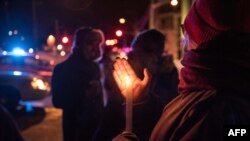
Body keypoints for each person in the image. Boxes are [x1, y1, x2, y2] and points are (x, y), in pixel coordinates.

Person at [112, 0, 250, 140]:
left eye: (186, 30)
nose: (183, 40)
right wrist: (142, 102)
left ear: (202, 37)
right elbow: (175, 130)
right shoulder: (209, 89)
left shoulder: (213, 106)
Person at [51, 27, 105, 141]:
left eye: (97, 44)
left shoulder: (95, 67)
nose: (95, 48)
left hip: (96, 129)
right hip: (76, 130)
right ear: (80, 44)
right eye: (91, 43)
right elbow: (57, 101)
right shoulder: (62, 69)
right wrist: (84, 94)